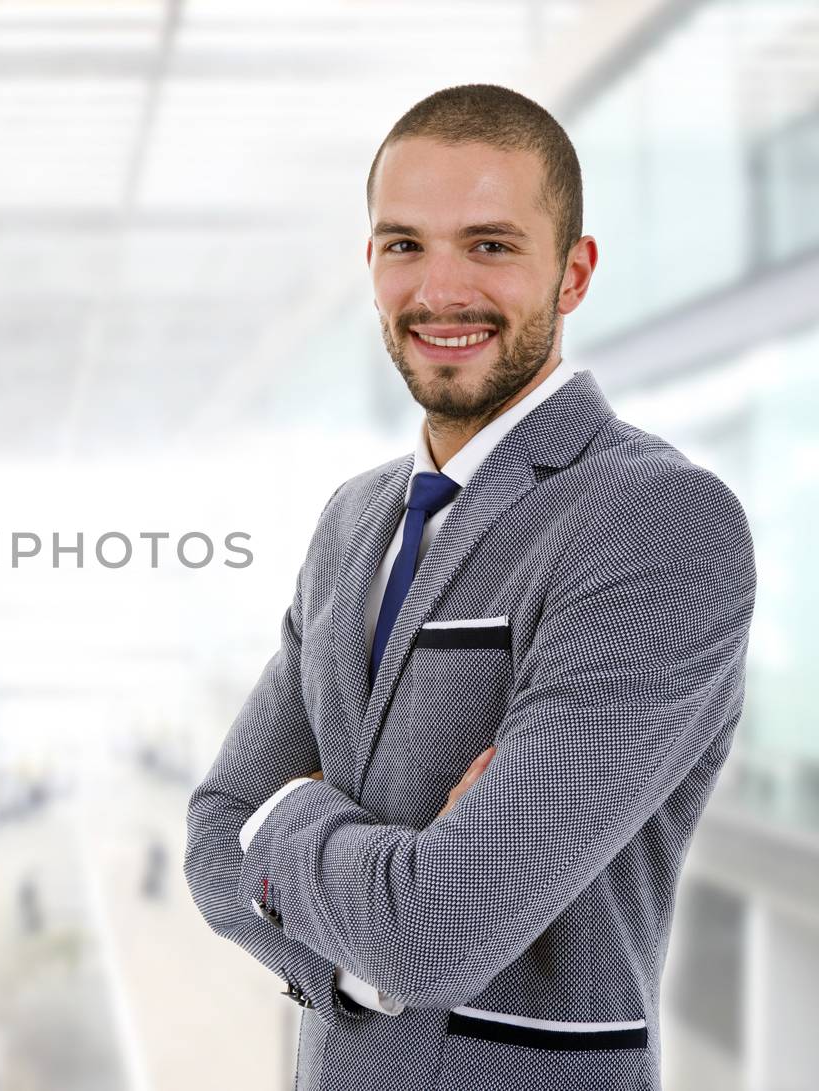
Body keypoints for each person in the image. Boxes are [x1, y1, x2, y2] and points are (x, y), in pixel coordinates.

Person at [184, 84, 755, 1091]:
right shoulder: (350, 523)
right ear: (370, 265)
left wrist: (284, 825)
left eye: (488, 245)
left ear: (572, 273)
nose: (439, 288)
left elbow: (437, 929)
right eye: (405, 244)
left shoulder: (657, 521)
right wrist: (359, 963)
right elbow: (208, 834)